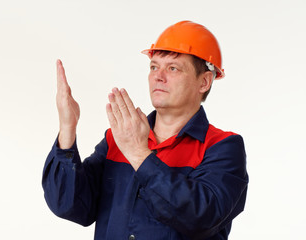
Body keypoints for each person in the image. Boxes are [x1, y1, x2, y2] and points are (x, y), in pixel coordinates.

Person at [42, 20, 248, 240]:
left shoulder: (221, 147)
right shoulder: (119, 138)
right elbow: (71, 205)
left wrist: (140, 155)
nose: (158, 76)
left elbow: (201, 217)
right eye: (153, 67)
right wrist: (67, 129)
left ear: (204, 82)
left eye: (173, 68)